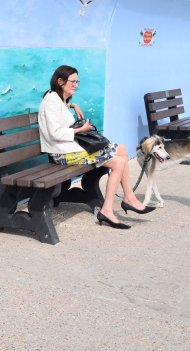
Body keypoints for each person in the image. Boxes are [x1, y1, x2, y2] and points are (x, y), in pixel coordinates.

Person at [38, 65, 155, 229]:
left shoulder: (58, 98)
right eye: (72, 81)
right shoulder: (51, 100)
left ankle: (129, 198)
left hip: (70, 148)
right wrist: (81, 129)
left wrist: (73, 105)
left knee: (121, 149)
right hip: (62, 154)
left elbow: (59, 111)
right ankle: (108, 210)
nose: (76, 85)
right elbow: (55, 133)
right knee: (119, 162)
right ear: (60, 81)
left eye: (77, 81)